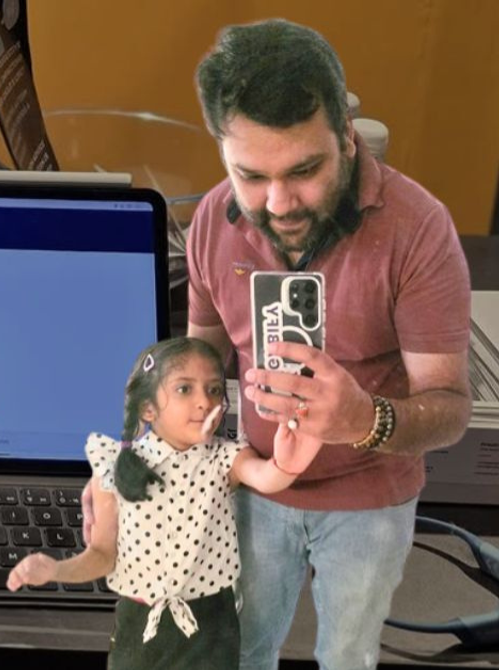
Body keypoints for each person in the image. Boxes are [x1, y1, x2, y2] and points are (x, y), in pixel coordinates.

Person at [84, 19, 471, 670]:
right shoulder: (213, 222)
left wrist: (366, 420)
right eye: (251, 175)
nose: (280, 202)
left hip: (371, 496)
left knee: (348, 654)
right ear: (223, 153)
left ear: (346, 136)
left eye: (305, 170)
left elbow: (451, 407)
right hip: (255, 485)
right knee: (243, 647)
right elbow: (199, 369)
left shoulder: (419, 228)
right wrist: (133, 463)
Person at [8, 337, 323, 669]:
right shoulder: (116, 469)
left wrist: (290, 461)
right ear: (148, 408)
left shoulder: (224, 457)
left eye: (214, 390)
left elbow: (267, 477)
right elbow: (102, 555)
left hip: (212, 624)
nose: (204, 401)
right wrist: (55, 570)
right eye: (185, 389)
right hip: (141, 625)